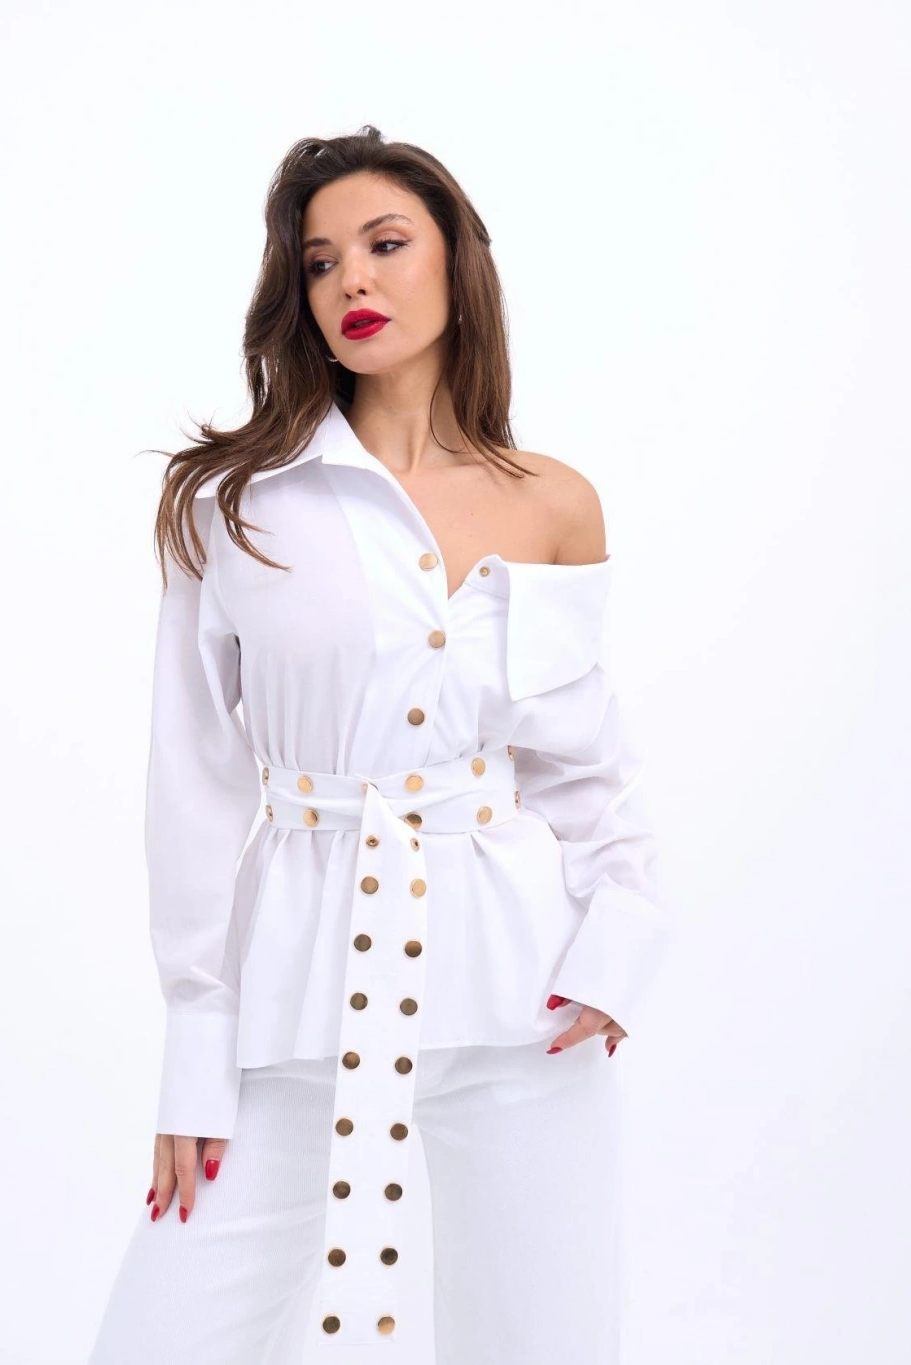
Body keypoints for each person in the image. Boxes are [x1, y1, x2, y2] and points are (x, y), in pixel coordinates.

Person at [87, 125, 673, 1365]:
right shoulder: (234, 505)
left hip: (520, 997)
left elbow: (582, 763)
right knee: (164, 1331)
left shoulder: (552, 501)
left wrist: (616, 946)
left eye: (385, 244)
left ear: (457, 261)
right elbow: (192, 787)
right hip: (292, 992)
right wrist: (195, 1044)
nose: (350, 278)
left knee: (547, 1340)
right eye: (318, 262)